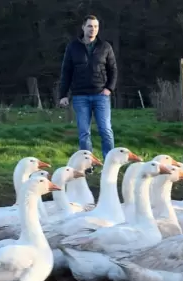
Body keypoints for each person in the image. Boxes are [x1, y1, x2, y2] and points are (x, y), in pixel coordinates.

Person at [58, 14, 117, 173]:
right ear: (83, 27)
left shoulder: (105, 47)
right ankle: (88, 165)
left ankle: (110, 165)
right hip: (80, 96)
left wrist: (108, 89)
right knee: (84, 133)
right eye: (90, 26)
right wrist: (63, 94)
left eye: (96, 26)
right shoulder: (73, 47)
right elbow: (66, 71)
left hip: (101, 95)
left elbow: (113, 70)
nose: (93, 29)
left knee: (105, 130)